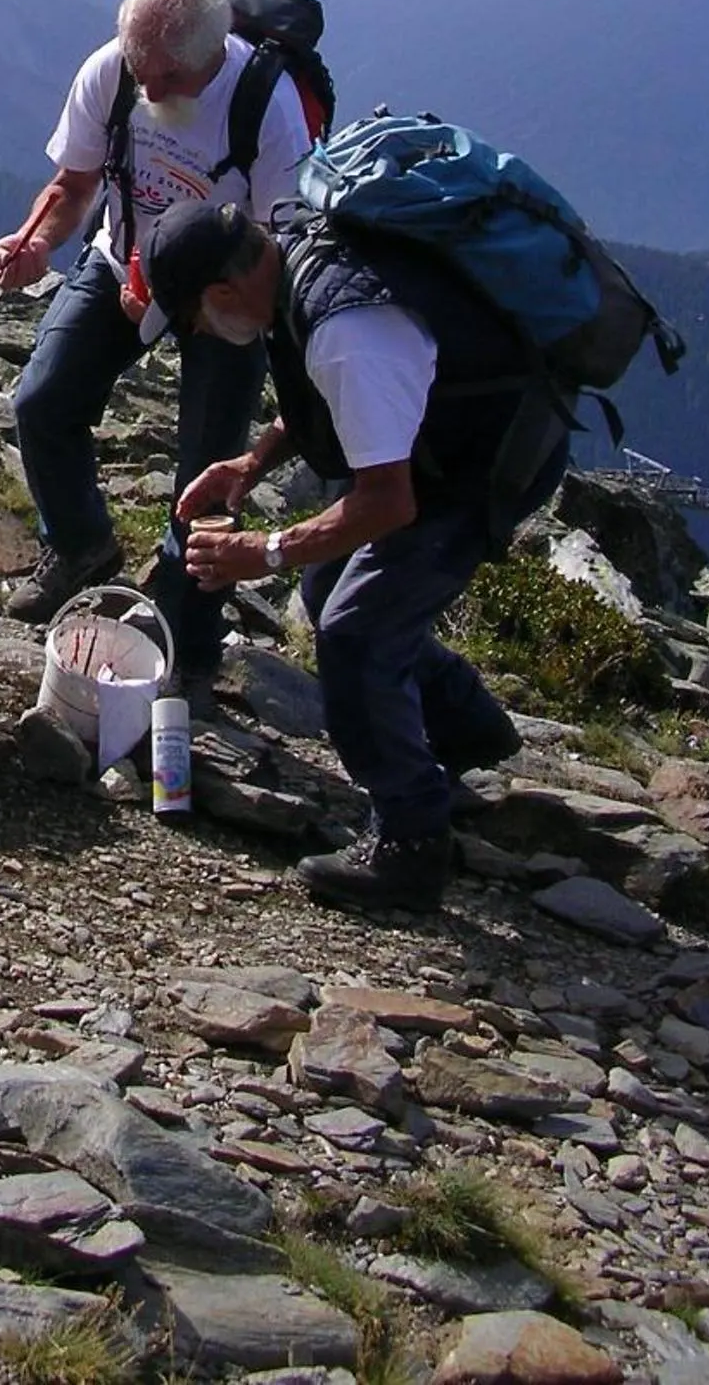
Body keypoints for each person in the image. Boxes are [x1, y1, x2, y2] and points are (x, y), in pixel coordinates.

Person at [141, 197, 563, 916]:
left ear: (220, 293)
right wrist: (252, 464)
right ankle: (464, 727)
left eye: (192, 320)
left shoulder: (347, 329)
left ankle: (410, 843)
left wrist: (262, 551)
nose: (200, 333)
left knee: (354, 632)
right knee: (330, 581)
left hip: (478, 467)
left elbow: (387, 503)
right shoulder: (297, 266)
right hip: (436, 441)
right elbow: (327, 396)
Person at [0, 0, 311, 701]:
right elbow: (74, 187)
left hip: (220, 295)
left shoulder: (268, 107)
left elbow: (279, 250)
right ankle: (79, 548)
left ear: (213, 53)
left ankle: (187, 643)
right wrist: (36, 241)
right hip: (120, 258)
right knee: (42, 401)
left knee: (205, 476)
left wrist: (227, 318)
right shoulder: (115, 72)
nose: (152, 87)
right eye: (141, 68)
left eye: (169, 74)